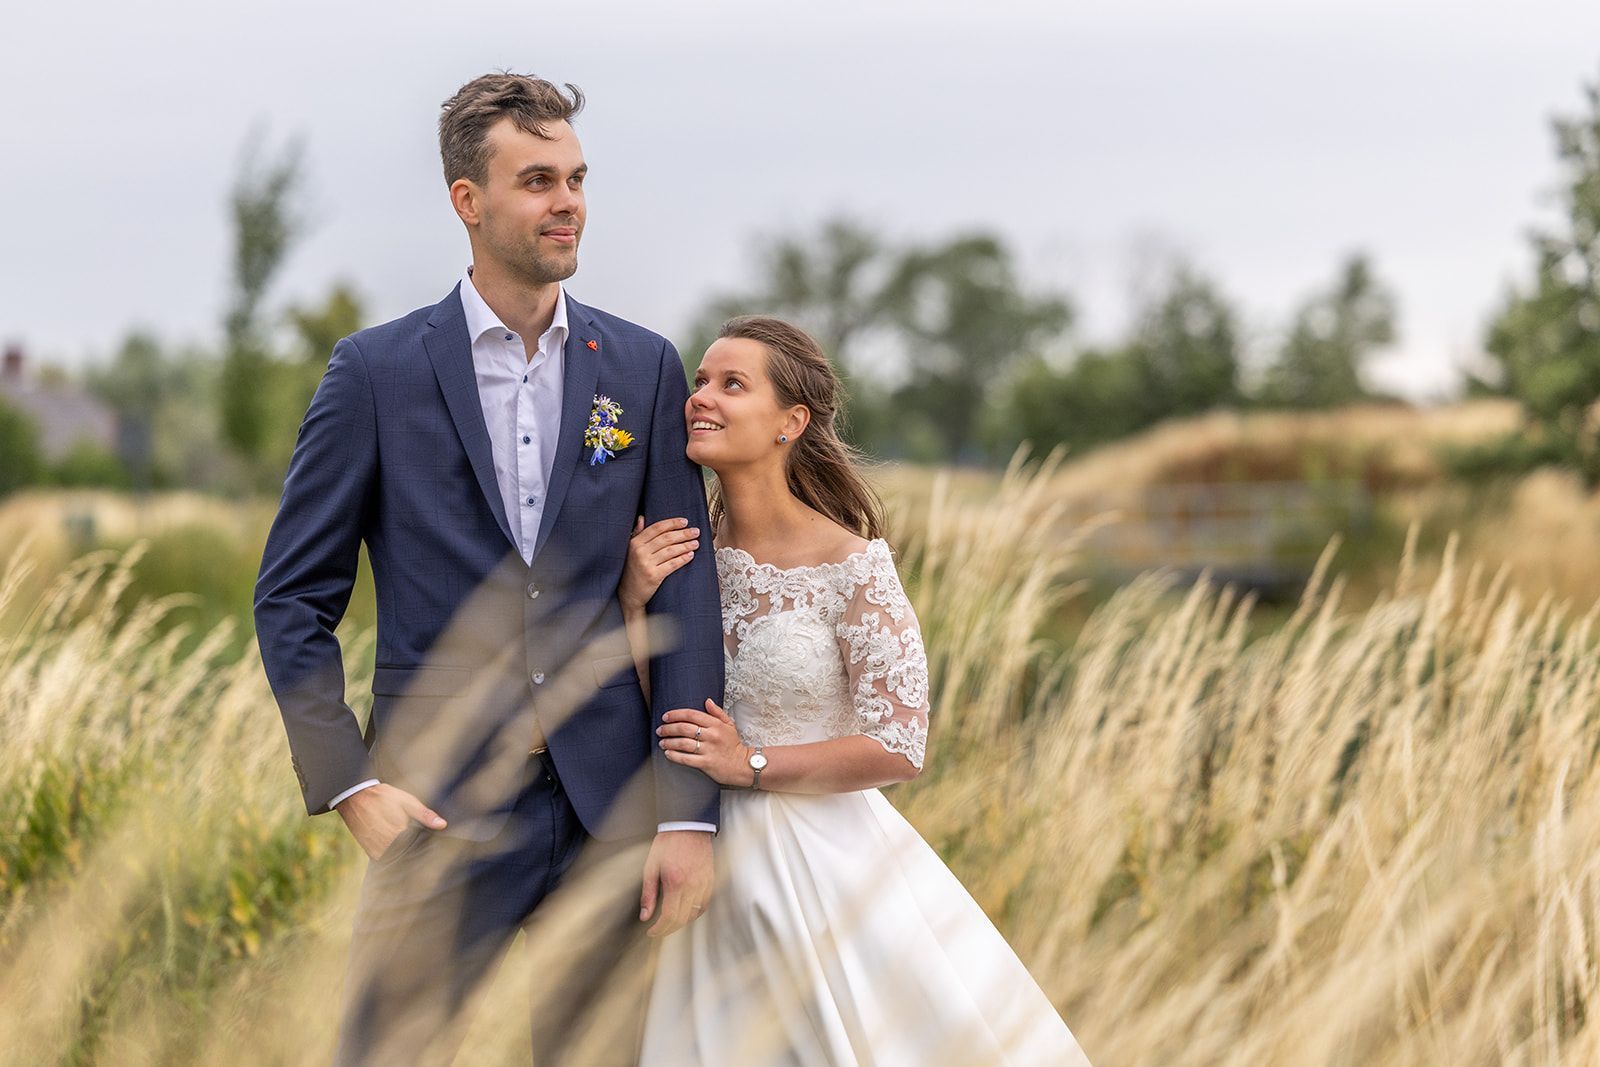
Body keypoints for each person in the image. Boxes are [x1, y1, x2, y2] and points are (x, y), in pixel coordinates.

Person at [252, 72, 723, 1066]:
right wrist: (349, 782)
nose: (568, 203)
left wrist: (687, 814)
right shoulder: (374, 373)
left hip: (608, 811)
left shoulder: (641, 367)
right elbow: (293, 597)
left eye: (578, 179)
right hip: (434, 810)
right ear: (468, 201)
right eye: (538, 179)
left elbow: (687, 588)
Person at [623, 316, 1093, 1065]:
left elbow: (900, 743)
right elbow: (657, 715)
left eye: (731, 383)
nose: (701, 397)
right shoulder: (682, 558)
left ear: (791, 421)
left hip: (823, 867)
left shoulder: (852, 565)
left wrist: (750, 764)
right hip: (699, 854)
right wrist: (632, 600)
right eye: (700, 380)